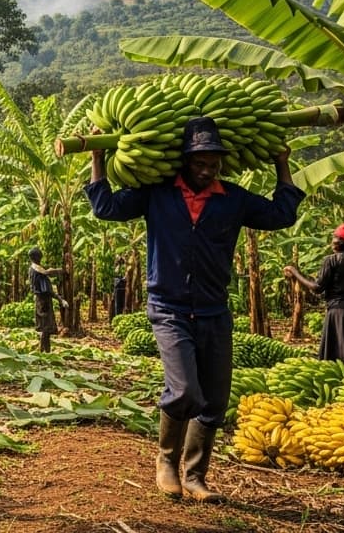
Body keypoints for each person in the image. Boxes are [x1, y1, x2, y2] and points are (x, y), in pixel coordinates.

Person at [85, 116, 303, 503]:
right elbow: (106, 207)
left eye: (213, 164)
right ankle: (166, 461)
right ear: (185, 160)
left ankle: (196, 475)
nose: (206, 170)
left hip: (213, 309)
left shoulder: (232, 199)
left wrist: (281, 163)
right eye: (199, 162)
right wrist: (98, 158)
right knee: (184, 390)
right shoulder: (157, 193)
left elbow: (281, 215)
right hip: (168, 306)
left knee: (215, 399)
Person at [283, 223, 344, 374]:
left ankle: (342, 381)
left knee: (339, 353)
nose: (332, 241)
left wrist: (295, 272)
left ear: (342, 242)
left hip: (338, 311)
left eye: (335, 238)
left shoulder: (331, 260)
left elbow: (317, 288)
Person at [27, 247, 66, 353]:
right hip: (43, 301)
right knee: (46, 327)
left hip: (42, 300)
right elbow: (47, 274)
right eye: (39, 256)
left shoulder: (33, 268)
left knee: (46, 328)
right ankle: (43, 351)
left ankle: (46, 351)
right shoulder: (37, 269)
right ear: (36, 257)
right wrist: (61, 271)